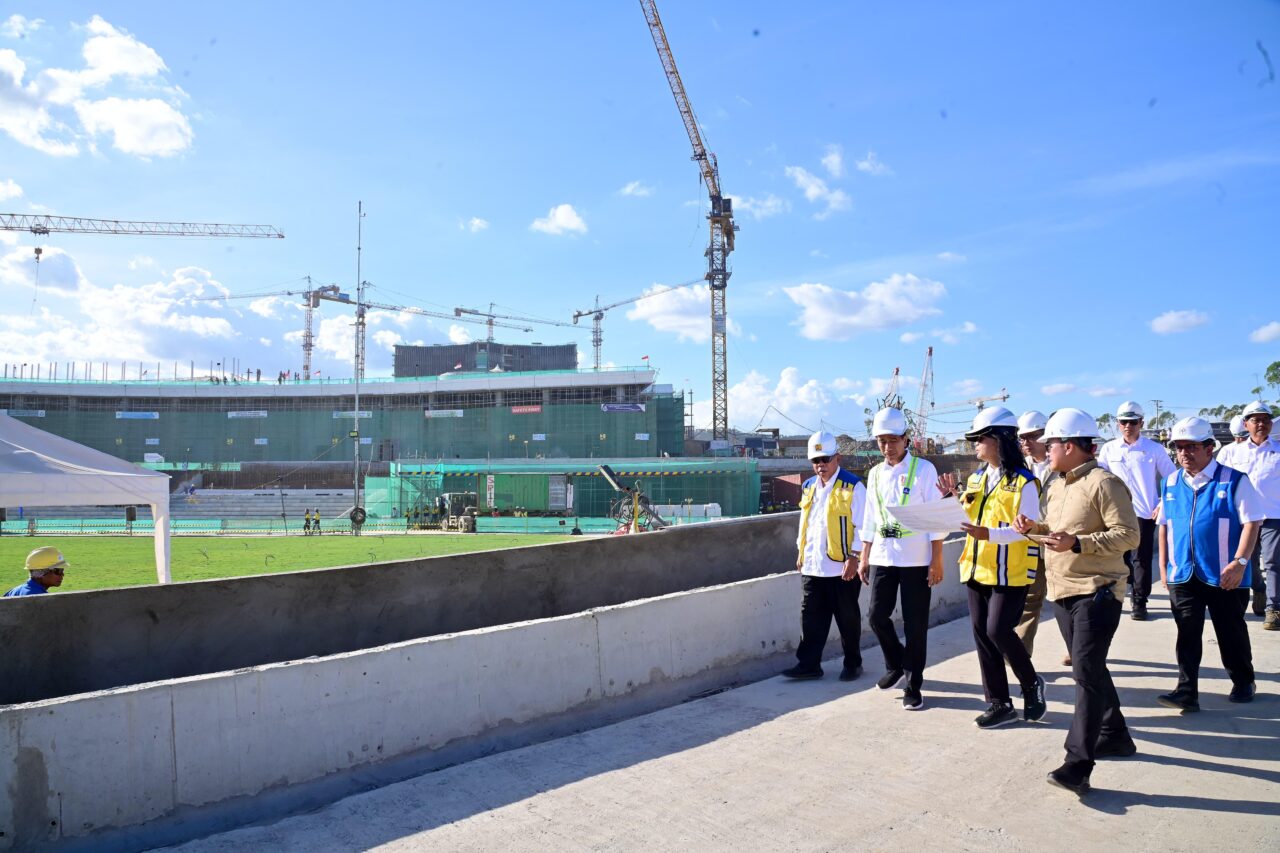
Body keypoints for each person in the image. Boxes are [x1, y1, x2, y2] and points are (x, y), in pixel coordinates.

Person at [1014, 408, 1139, 795]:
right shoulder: (1055, 483)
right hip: (1062, 589)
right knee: (1093, 668)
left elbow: (1129, 535)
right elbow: (1057, 530)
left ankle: (1078, 763)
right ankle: (1115, 734)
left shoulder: (1105, 483)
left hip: (1098, 590)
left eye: (1050, 443)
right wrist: (1034, 529)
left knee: (1084, 674)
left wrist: (1081, 543)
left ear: (1069, 445)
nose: (1044, 449)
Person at [938, 407, 1046, 728]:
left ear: (998, 440)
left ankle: (1030, 682)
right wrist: (949, 499)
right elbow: (968, 519)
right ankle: (1000, 703)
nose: (974, 445)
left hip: (1010, 570)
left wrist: (989, 533)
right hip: (976, 567)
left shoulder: (1025, 482)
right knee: (983, 638)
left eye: (979, 439)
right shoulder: (976, 477)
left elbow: (1025, 529)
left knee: (998, 630)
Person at [1156, 417, 1263, 712]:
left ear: (1209, 448)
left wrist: (1240, 563)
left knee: (1230, 632)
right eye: (1178, 448)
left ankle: (1243, 680)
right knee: (1186, 633)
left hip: (1225, 574)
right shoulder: (1171, 482)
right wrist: (1164, 567)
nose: (1184, 453)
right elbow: (1164, 526)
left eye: (1191, 447)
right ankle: (1186, 691)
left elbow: (1252, 522)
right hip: (1183, 574)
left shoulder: (1234, 480)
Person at [857, 407, 944, 711]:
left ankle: (913, 683)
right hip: (883, 555)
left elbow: (935, 518)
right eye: (881, 441)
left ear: (906, 439)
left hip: (916, 559)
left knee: (915, 624)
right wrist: (864, 555)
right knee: (876, 616)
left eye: (893, 440)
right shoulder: (876, 473)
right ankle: (896, 663)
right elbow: (870, 517)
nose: (887, 447)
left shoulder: (924, 470)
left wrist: (937, 560)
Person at [783, 431, 868, 681]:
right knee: (810, 618)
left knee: (847, 619)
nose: (820, 465)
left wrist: (855, 557)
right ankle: (809, 664)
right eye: (815, 461)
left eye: (825, 459)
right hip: (813, 564)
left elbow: (863, 525)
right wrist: (801, 551)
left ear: (837, 458)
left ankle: (853, 663)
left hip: (842, 566)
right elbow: (805, 522)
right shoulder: (808, 486)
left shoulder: (853, 486)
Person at [1096, 401, 1176, 621]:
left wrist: (1161, 503)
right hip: (1114, 514)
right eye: (1123, 422)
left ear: (1141, 422)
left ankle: (1139, 601)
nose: (1128, 426)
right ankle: (1114, 598)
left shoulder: (1154, 449)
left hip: (1143, 513)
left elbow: (1172, 478)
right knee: (1115, 558)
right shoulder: (1108, 449)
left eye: (1132, 422)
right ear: (1117, 423)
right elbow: (1099, 479)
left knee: (1140, 559)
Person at [1217, 400, 1280, 626]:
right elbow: (1218, 482)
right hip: (1243, 518)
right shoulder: (1230, 452)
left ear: (1271, 423)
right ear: (1246, 424)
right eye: (1255, 420)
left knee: (1273, 561)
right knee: (1247, 561)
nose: (1261, 424)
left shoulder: (1278, 450)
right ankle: (1259, 589)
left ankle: (1275, 608)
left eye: (1265, 420)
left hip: (1273, 515)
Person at [1015, 410, 1056, 661]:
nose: (1027, 443)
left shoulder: (1061, 467)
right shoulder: (1020, 469)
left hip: (1059, 543)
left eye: (1033, 436)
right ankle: (1020, 654)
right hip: (1030, 543)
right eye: (1023, 438)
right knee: (1030, 600)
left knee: (1067, 602)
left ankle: (1079, 650)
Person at [4, 547, 69, 597]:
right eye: (58, 571)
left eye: (62, 570)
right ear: (41, 572)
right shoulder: (39, 598)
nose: (62, 575)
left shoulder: (15, 591)